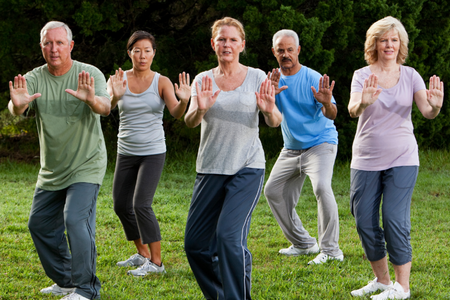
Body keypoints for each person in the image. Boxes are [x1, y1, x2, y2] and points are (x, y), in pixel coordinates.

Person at [8, 21, 111, 300]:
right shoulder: (34, 77)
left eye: (59, 43)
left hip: (86, 164)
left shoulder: (89, 73)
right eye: (48, 43)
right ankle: (66, 280)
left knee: (75, 220)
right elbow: (18, 103)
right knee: (38, 224)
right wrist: (17, 105)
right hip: (52, 169)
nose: (54, 49)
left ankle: (87, 289)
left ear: (71, 46)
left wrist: (91, 101)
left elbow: (106, 106)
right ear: (41, 46)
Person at [183, 17, 282, 300]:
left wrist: (268, 108)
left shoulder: (257, 77)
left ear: (242, 45)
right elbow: (190, 121)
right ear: (213, 44)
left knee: (228, 237)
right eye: (221, 39)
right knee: (195, 245)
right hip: (210, 168)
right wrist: (200, 109)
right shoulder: (203, 79)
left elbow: (274, 121)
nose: (227, 44)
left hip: (247, 167)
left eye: (232, 39)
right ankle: (220, 294)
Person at [348, 16, 444, 299]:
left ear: (400, 44)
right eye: (383, 40)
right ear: (374, 44)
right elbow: (353, 109)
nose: (388, 45)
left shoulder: (411, 75)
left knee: (393, 218)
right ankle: (381, 280)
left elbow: (427, 111)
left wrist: (435, 107)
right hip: (365, 157)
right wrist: (363, 101)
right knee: (364, 220)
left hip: (403, 156)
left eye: (394, 40)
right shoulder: (362, 75)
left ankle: (402, 287)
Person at [107, 31, 191, 276]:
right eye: (137, 50)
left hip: (153, 151)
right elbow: (106, 108)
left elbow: (176, 113)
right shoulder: (118, 79)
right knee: (121, 205)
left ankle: (157, 263)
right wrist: (115, 95)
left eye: (147, 50)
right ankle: (142, 253)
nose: (142, 55)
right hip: (126, 151)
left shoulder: (161, 81)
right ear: (129, 53)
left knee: (141, 204)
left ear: (154, 53)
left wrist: (184, 100)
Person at [264, 29, 344, 265]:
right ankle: (304, 243)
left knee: (321, 187)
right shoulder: (272, 82)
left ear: (298, 50)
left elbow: (332, 114)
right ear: (274, 52)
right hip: (291, 148)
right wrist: (270, 100)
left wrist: (327, 102)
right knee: (273, 191)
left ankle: (331, 250)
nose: (286, 54)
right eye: (281, 50)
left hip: (321, 144)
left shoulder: (312, 78)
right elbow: (271, 121)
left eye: (290, 49)